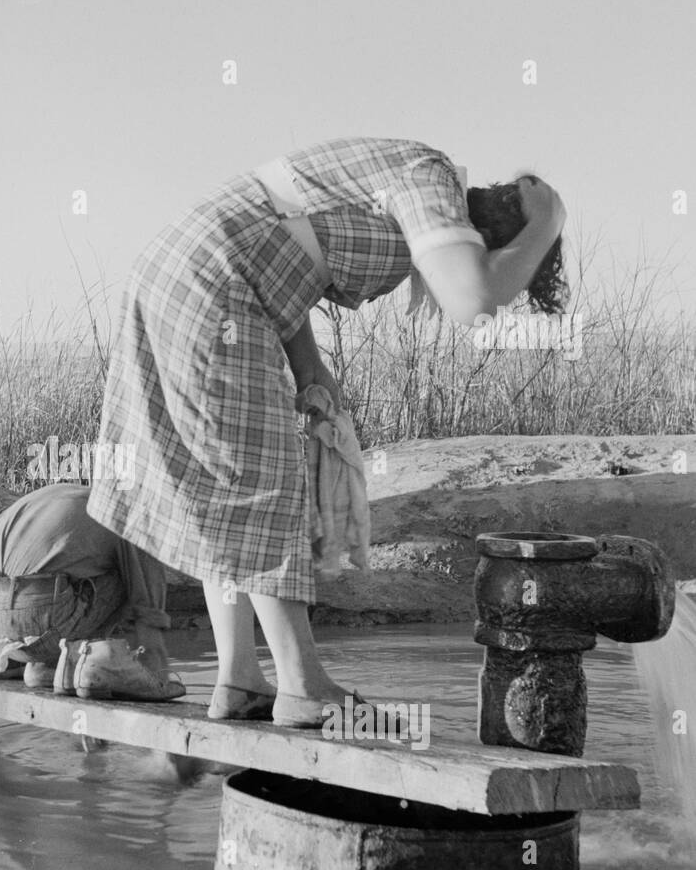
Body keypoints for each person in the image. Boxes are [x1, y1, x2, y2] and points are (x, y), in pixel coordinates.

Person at [86, 138, 567, 726]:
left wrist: (308, 363)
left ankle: (239, 679)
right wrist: (549, 222)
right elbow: (474, 299)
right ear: (492, 241)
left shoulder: (411, 187)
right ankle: (302, 685)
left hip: (200, 276)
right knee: (265, 490)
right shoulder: (431, 179)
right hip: (216, 286)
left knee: (227, 487)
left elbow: (289, 246)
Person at [0, 482, 184, 701]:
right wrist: (156, 670)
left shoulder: (66, 494)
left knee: (77, 566)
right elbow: (148, 615)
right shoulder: (136, 515)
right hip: (33, 617)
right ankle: (86, 661)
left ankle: (45, 668)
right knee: (132, 576)